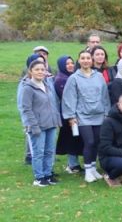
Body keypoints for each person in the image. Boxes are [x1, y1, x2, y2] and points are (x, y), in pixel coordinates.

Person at [62, 49, 111, 183]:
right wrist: (71, 117)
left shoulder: (99, 76)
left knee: (96, 142)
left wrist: (107, 113)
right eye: (82, 58)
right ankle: (88, 170)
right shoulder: (74, 78)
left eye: (88, 58)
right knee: (89, 142)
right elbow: (69, 98)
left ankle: (94, 168)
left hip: (99, 115)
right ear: (79, 60)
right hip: (82, 116)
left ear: (92, 60)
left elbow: (105, 96)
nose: (85, 60)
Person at [19, 57, 61, 186]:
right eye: (37, 69)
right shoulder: (27, 87)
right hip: (37, 126)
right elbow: (26, 109)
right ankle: (39, 177)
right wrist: (33, 126)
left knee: (49, 151)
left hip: (51, 124)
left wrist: (56, 121)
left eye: (42, 69)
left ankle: (48, 174)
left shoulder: (47, 85)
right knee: (38, 152)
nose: (40, 72)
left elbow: (53, 103)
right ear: (31, 71)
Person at [54, 55, 84, 174]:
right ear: (62, 66)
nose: (70, 65)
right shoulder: (61, 79)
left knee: (75, 139)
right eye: (67, 64)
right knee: (71, 139)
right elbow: (68, 98)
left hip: (74, 113)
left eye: (71, 63)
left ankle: (74, 164)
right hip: (69, 115)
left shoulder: (70, 76)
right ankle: (72, 164)